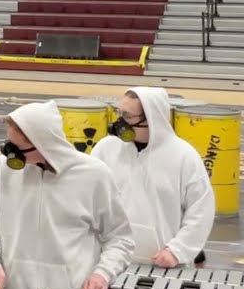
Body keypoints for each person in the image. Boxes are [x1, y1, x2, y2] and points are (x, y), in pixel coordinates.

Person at [0, 101, 134, 289]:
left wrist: (103, 274)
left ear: (45, 144)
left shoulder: (94, 175)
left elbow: (120, 239)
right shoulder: (3, 168)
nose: (12, 155)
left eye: (18, 149)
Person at [91, 87, 213, 268]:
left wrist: (176, 251)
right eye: (120, 114)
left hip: (164, 265)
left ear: (151, 117)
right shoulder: (106, 148)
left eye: (128, 116)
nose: (121, 122)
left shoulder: (184, 156)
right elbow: (88, 197)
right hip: (109, 263)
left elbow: (200, 211)